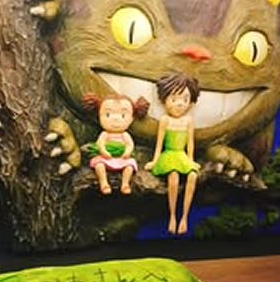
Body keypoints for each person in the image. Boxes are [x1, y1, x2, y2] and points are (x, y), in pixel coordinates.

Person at [145, 73, 200, 234]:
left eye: (184, 99)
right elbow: (159, 143)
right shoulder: (165, 120)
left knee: (193, 175)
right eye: (174, 99)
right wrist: (154, 161)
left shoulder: (188, 120)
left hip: (182, 155)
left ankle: (184, 217)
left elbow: (190, 142)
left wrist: (191, 160)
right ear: (164, 100)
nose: (179, 104)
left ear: (190, 102)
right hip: (168, 155)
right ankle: (172, 216)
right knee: (173, 175)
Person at [82, 93, 149, 195]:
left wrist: (127, 152)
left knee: (129, 166)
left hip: (122, 158)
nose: (115, 119)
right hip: (106, 157)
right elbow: (100, 143)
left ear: (131, 119)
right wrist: (103, 151)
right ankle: (104, 183)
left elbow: (130, 145)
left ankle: (125, 184)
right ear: (99, 116)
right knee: (99, 165)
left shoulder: (125, 135)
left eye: (123, 115)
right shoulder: (105, 134)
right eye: (108, 114)